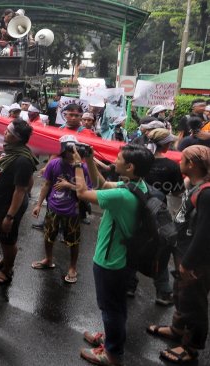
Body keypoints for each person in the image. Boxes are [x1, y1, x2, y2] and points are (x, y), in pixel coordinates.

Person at [76, 144, 155, 366]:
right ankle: (111, 340)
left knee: (111, 308)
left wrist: (76, 164)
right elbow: (102, 184)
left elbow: (82, 193)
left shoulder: (122, 195)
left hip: (110, 261)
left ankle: (111, 354)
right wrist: (89, 160)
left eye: (119, 158)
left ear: (129, 166)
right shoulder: (137, 186)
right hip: (125, 258)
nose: (115, 160)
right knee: (117, 305)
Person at [146, 145, 210, 364]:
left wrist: (189, 262)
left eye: (182, 159)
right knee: (181, 293)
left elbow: (205, 233)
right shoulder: (195, 185)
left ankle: (191, 347)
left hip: (196, 258)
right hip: (184, 248)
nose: (179, 161)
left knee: (195, 301)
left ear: (191, 164)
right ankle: (177, 329)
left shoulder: (207, 193)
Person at [127, 128, 183, 305]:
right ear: (166, 145)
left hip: (135, 210)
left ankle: (129, 286)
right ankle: (163, 293)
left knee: (133, 248)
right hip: (158, 214)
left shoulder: (141, 159)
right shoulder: (171, 166)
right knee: (160, 253)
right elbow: (177, 191)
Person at [31, 135, 92, 284]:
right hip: (53, 207)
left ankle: (72, 267)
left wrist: (68, 185)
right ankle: (48, 259)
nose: (71, 152)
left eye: (73, 149)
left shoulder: (82, 167)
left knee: (73, 240)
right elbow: (47, 184)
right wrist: (39, 204)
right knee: (48, 235)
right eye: (68, 149)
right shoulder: (54, 164)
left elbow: (87, 190)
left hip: (72, 211)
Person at [0, 118, 39, 286]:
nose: (4, 133)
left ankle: (7, 270)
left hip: (10, 207)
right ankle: (5, 260)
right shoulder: (13, 152)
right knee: (4, 238)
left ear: (16, 138)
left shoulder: (22, 160)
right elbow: (28, 182)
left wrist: (10, 216)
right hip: (3, 202)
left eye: (8, 132)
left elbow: (21, 189)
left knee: (9, 239)